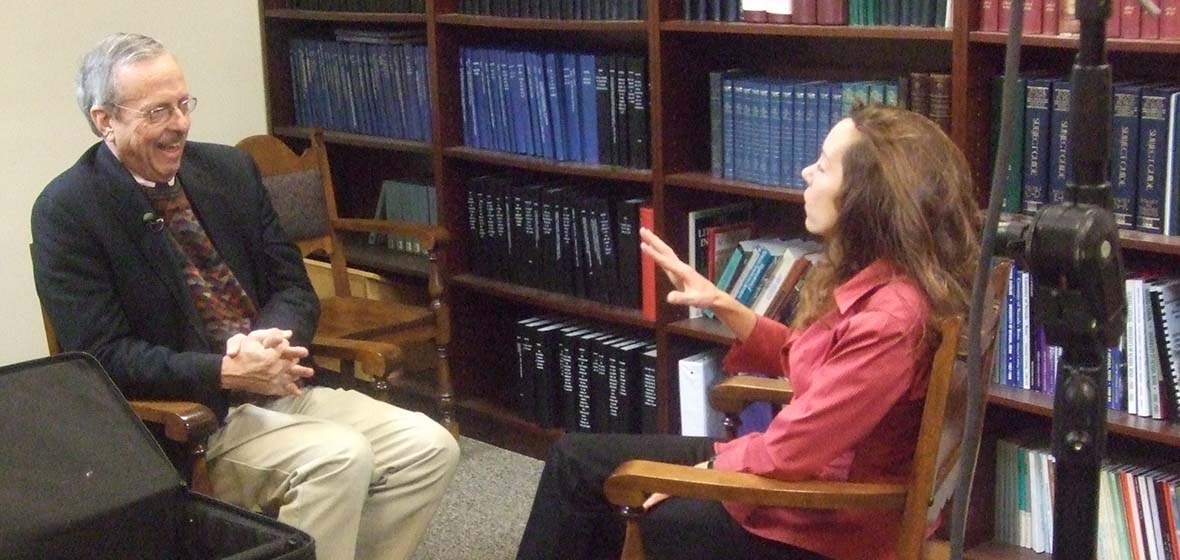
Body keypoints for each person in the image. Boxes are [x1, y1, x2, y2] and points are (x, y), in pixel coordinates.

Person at [30, 33, 459, 560]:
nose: (180, 123)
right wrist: (226, 370)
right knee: (339, 458)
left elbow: (293, 287)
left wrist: (266, 345)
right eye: (158, 111)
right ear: (105, 121)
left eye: (184, 103)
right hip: (195, 418)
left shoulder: (227, 171)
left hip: (278, 383)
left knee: (430, 447)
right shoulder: (69, 210)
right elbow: (102, 356)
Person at [514, 104, 982, 560]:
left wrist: (710, 471)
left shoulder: (889, 321)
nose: (805, 174)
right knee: (576, 460)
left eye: (821, 166)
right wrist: (722, 303)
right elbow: (818, 370)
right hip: (809, 487)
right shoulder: (888, 284)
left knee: (627, 501)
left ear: (865, 200)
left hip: (819, 527)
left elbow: (794, 450)